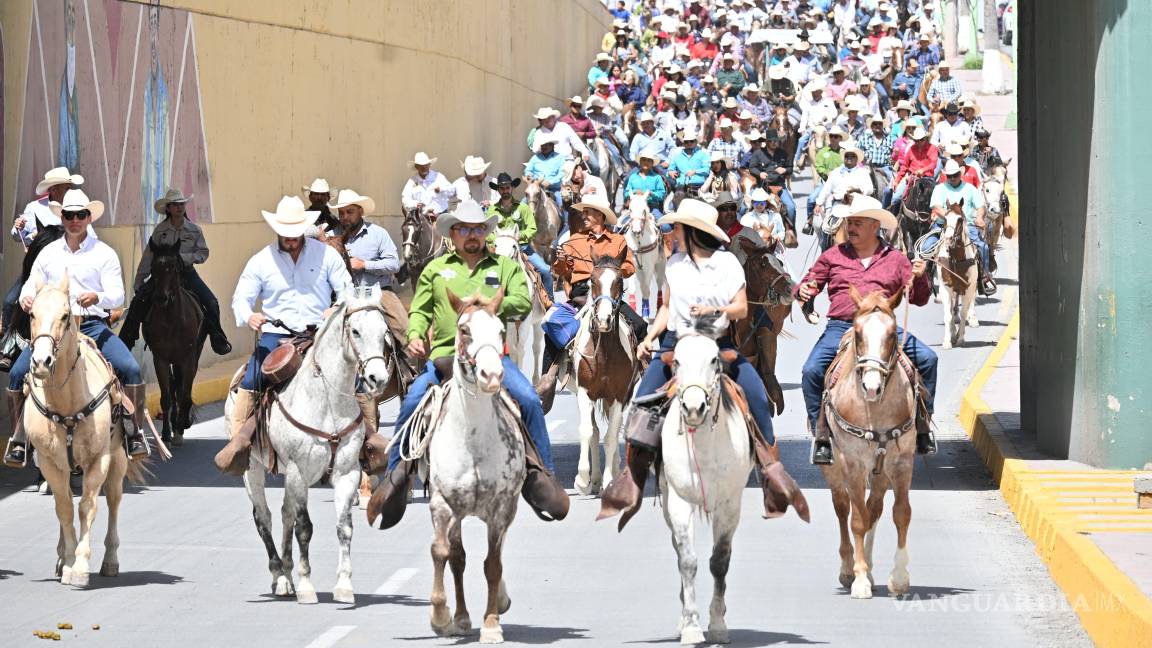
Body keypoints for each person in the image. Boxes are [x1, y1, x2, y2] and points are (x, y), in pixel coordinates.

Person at [366, 200, 568, 529]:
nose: (472, 235)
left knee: (529, 400)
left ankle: (542, 475)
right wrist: (415, 335)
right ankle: (396, 478)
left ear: (485, 232)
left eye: (478, 229)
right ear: (453, 235)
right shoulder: (435, 269)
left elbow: (520, 299)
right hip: (445, 357)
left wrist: (486, 306)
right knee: (412, 401)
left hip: (491, 355)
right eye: (464, 229)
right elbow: (419, 310)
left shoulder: (504, 266)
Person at [601, 199, 780, 516]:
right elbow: (667, 309)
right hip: (676, 342)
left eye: (679, 228)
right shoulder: (674, 265)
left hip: (717, 342)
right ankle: (633, 477)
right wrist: (650, 337)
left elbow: (740, 308)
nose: (674, 232)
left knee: (756, 399)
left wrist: (717, 310)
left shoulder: (727, 265)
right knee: (641, 404)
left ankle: (772, 473)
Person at [4, 190, 150, 467]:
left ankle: (134, 434)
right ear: (62, 217)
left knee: (130, 369)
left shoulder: (103, 253)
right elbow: (30, 282)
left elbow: (117, 295)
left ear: (88, 218)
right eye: (69, 215)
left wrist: (98, 298)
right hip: (53, 329)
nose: (74, 220)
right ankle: (19, 438)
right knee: (17, 373)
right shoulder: (48, 253)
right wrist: (26, 297)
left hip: (91, 325)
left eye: (80, 215)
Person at [214, 196, 356, 474]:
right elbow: (240, 299)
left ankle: (365, 443)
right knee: (252, 379)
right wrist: (249, 316)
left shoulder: (326, 255)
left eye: (295, 234)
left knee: (356, 378)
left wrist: (336, 309)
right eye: (285, 234)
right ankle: (239, 443)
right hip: (276, 337)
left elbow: (347, 290)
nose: (291, 239)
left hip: (318, 333)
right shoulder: (260, 261)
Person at [794, 196, 938, 465]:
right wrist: (802, 291)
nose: (851, 227)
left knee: (929, 360)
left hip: (882, 327)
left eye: (858, 222)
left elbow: (918, 299)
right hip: (842, 327)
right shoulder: (832, 256)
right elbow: (809, 284)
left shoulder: (896, 259)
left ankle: (923, 425)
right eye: (850, 222)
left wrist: (921, 278)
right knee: (811, 371)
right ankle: (821, 433)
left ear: (875, 226)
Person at [119, 188, 232, 355]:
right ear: (168, 209)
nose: (179, 207)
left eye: (182, 204)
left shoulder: (194, 230)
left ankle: (218, 338)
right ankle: (125, 342)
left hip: (187, 274)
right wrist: (139, 281)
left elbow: (203, 253)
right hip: (162, 276)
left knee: (211, 302)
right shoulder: (159, 231)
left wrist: (184, 258)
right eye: (175, 205)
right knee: (138, 302)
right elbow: (148, 257)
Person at [546, 194, 646, 368]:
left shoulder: (618, 240)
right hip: (581, 296)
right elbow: (560, 272)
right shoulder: (573, 241)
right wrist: (561, 261)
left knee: (641, 326)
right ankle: (547, 378)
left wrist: (610, 274)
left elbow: (629, 267)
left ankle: (644, 371)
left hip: (609, 295)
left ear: (600, 215)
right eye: (583, 213)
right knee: (551, 327)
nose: (583, 217)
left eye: (588, 212)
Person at [4, 167, 89, 333]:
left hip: (69, 268)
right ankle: (8, 342)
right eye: (66, 187)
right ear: (54, 189)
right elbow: (17, 235)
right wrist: (20, 229)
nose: (70, 191)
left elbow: (89, 236)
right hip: (38, 266)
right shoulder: (34, 207)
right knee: (9, 302)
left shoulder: (76, 208)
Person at [328, 189, 409, 346]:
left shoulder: (378, 234)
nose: (344, 217)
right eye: (341, 213)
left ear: (361, 211)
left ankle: (407, 367)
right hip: (343, 295)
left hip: (379, 292)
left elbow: (393, 264)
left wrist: (364, 265)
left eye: (349, 212)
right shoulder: (332, 236)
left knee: (403, 327)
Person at [922, 160, 996, 295]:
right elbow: (935, 206)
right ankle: (927, 278)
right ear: (946, 176)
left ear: (960, 174)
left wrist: (979, 217)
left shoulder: (970, 189)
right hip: (942, 224)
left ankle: (983, 278)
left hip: (966, 225)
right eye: (949, 176)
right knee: (926, 247)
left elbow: (980, 206)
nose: (952, 178)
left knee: (983, 247)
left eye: (955, 175)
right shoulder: (939, 188)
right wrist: (949, 216)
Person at [486, 172, 553, 299]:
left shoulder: (523, 208)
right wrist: (499, 241)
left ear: (512, 188)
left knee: (545, 270)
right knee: (479, 272)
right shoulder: (492, 210)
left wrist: (519, 237)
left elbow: (532, 228)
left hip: (522, 248)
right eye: (502, 188)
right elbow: (486, 231)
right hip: (498, 250)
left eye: (507, 187)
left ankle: (549, 302)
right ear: (498, 190)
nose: (505, 190)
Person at [889, 126, 939, 206]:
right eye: (917, 140)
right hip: (911, 178)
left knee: (936, 202)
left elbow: (933, 164)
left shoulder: (932, 148)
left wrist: (923, 170)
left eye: (921, 140)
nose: (919, 142)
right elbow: (904, 166)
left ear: (926, 139)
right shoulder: (911, 149)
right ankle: (893, 217)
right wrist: (897, 180)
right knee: (895, 198)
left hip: (927, 179)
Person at [525, 133, 568, 220]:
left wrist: (551, 182)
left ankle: (566, 226)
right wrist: (529, 176)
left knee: (563, 204)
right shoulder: (535, 158)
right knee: (522, 204)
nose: (543, 147)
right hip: (537, 188)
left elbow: (562, 173)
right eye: (542, 145)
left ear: (552, 145)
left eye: (546, 145)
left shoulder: (559, 158)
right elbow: (528, 170)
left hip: (554, 189)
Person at [400, 152, 454, 216]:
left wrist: (441, 189)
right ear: (416, 167)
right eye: (421, 166)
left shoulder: (438, 177)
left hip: (440, 214)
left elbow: (451, 190)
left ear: (429, 165)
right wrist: (415, 204)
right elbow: (405, 198)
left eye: (426, 165)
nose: (424, 168)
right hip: (421, 217)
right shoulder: (412, 181)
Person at [623, 149, 670, 221]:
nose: (646, 162)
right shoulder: (633, 177)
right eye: (644, 160)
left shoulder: (657, 177)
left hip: (652, 208)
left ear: (652, 163)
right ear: (640, 162)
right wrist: (635, 191)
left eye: (649, 160)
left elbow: (662, 195)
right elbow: (625, 193)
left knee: (665, 227)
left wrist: (651, 193)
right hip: (635, 208)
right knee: (620, 226)